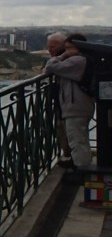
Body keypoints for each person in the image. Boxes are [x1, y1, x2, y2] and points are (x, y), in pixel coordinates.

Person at [45, 33, 95, 170]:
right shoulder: (84, 60)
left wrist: (62, 56)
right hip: (81, 105)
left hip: (76, 107)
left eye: (69, 48)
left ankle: (82, 169)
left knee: (77, 141)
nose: (66, 51)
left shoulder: (77, 61)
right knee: (79, 139)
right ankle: (79, 163)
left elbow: (50, 66)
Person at [45, 31, 73, 166]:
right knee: (63, 131)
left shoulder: (68, 60)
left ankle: (75, 163)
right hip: (63, 103)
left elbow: (49, 68)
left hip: (69, 104)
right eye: (48, 47)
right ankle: (70, 158)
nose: (49, 50)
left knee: (71, 134)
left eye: (53, 47)